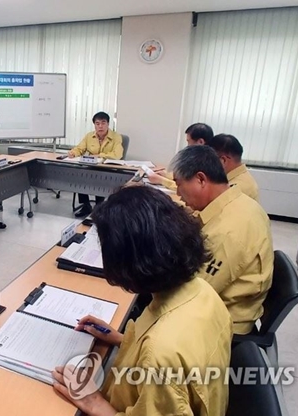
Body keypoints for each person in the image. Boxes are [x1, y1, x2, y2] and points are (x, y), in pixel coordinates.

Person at [52, 186, 231, 415]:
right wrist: (121, 339)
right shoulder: (202, 291)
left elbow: (164, 356)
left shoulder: (159, 353)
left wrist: (93, 401)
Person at [171, 145, 272, 335]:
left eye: (179, 184)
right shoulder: (237, 201)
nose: (177, 192)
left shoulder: (227, 232)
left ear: (201, 179)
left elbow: (190, 294)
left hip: (222, 322)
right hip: (220, 301)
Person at [68, 112, 124, 217]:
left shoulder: (116, 137)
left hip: (108, 168)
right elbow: (80, 148)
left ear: (108, 124)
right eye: (97, 123)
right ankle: (86, 205)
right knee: (80, 175)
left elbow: (117, 155)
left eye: (103, 123)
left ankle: (100, 207)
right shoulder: (89, 136)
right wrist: (73, 153)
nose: (100, 126)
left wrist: (99, 155)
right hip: (91, 167)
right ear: (94, 125)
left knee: (100, 177)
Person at [146, 122, 214, 190]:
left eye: (188, 141)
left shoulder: (206, 163)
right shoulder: (202, 157)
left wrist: (161, 180)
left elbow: (189, 189)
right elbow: (185, 179)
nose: (188, 146)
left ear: (200, 142)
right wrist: (166, 175)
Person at [208, 133, 259, 202]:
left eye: (211, 160)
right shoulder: (234, 179)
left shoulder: (238, 188)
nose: (209, 165)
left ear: (223, 160)